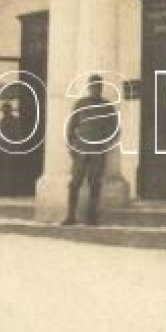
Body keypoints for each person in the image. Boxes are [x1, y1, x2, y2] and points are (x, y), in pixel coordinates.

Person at [64, 75, 120, 227]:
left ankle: (92, 217)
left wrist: (105, 141)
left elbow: (115, 128)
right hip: (80, 151)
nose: (95, 89)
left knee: (95, 184)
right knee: (74, 183)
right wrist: (71, 146)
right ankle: (70, 216)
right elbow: (71, 126)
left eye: (98, 86)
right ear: (88, 87)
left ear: (101, 88)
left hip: (98, 151)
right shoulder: (80, 104)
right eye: (93, 86)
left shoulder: (107, 106)